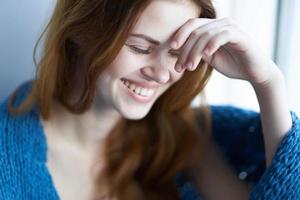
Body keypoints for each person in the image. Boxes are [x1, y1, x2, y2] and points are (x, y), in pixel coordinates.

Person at [0, 0, 299, 199]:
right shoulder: (8, 162)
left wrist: (268, 83)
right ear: (81, 31)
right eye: (140, 47)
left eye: (176, 53)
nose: (161, 74)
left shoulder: (182, 140)